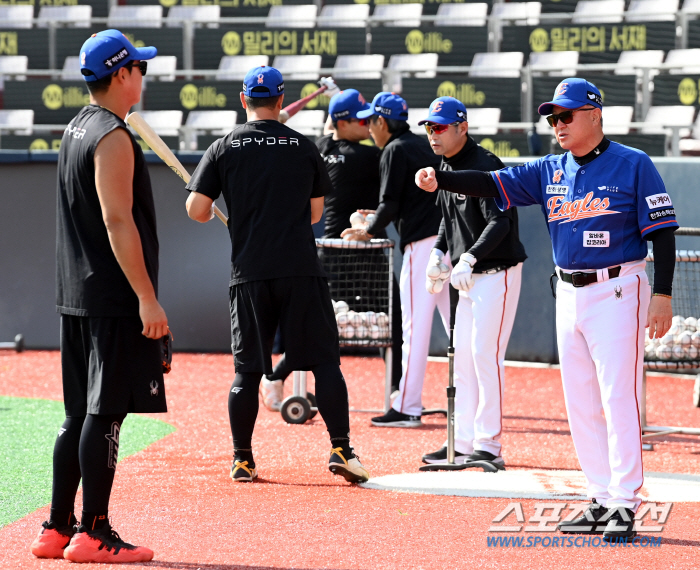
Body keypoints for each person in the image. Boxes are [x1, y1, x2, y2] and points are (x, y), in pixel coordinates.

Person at [415, 78, 677, 540]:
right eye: (553, 117)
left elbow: (663, 233)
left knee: (618, 398)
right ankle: (599, 496)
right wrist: (443, 177)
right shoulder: (550, 168)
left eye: (566, 115)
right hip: (569, 292)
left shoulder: (633, 164)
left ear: (594, 115)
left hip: (619, 288)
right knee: (580, 401)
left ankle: (625, 501)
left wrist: (664, 294)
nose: (557, 124)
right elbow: (493, 182)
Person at [185, 66, 369, 484]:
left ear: (242, 99)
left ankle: (242, 459)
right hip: (300, 269)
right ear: (282, 100)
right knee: (325, 363)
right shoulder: (303, 146)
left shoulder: (223, 147)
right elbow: (316, 213)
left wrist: (237, 214)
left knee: (247, 371)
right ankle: (341, 448)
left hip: (249, 272)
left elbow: (197, 210)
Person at [30, 30, 165, 563]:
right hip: (112, 298)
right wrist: (147, 300)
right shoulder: (112, 135)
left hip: (77, 294)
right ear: (121, 74)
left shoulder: (75, 127)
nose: (143, 77)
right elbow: (116, 219)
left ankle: (55, 528)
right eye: (140, 68)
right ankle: (94, 532)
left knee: (76, 414)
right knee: (105, 414)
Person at [260, 88, 403, 410]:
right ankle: (397, 391)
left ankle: (275, 377)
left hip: (326, 252)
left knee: (316, 327)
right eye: (359, 119)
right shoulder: (370, 156)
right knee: (391, 321)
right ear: (341, 121)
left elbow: (319, 133)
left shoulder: (315, 147)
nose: (368, 125)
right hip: (361, 252)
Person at [416, 97, 527, 468]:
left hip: (497, 272)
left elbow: (502, 222)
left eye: (440, 127)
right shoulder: (444, 166)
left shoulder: (485, 165)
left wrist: (470, 256)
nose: (433, 133)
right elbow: (449, 222)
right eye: (430, 127)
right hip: (467, 278)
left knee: (485, 356)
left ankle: (489, 444)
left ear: (462, 128)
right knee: (461, 358)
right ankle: (461, 441)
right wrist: (438, 252)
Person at [341, 92, 450, 428]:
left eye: (370, 120)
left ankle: (407, 406)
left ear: (382, 122)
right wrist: (376, 219)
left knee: (415, 329)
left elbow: (389, 204)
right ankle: (468, 404)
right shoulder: (419, 145)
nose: (369, 127)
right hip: (448, 243)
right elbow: (401, 203)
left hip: (422, 248)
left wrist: (367, 230)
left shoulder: (393, 149)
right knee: (458, 330)